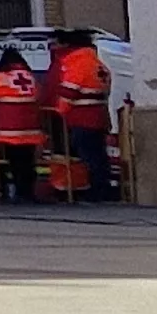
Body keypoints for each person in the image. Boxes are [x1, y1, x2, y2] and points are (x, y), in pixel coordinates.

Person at [50, 30, 114, 203]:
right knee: (98, 155)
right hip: (98, 115)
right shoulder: (97, 63)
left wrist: (59, 111)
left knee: (88, 157)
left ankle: (97, 191)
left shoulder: (78, 63)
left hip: (81, 118)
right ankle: (103, 188)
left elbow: (69, 91)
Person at [0, 48, 48, 206]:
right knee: (28, 162)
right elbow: (39, 96)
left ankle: (17, 194)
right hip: (31, 129)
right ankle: (29, 193)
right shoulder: (30, 77)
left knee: (14, 163)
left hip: (9, 130)